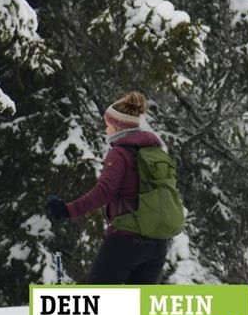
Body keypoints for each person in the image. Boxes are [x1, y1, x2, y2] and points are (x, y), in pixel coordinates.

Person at [45, 92, 173, 284]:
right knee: (138, 303)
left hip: (126, 242)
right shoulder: (156, 153)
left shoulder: (120, 154)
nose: (106, 129)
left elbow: (103, 192)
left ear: (118, 126)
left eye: (108, 124)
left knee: (96, 298)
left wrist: (67, 210)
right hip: (157, 245)